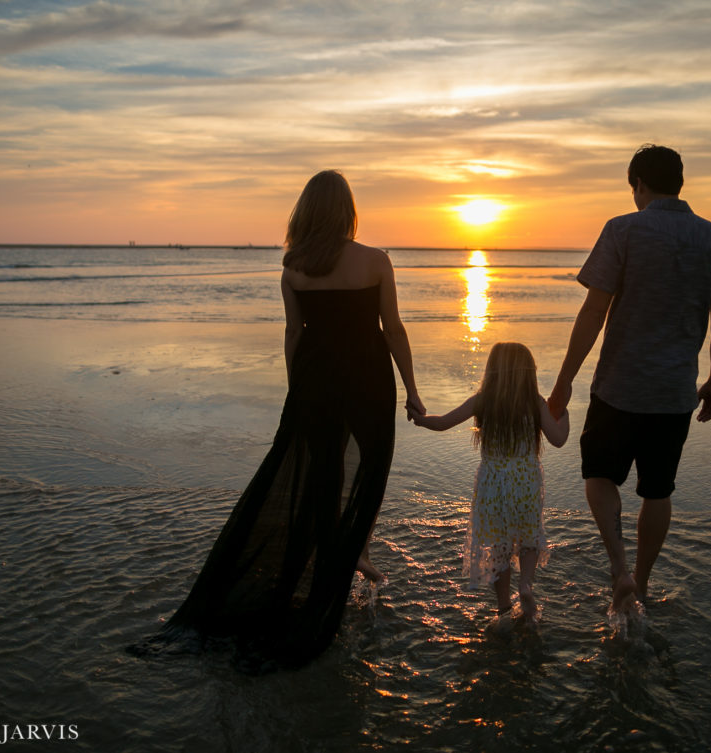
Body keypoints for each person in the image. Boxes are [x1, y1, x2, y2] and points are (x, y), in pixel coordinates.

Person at [139, 170, 424, 671]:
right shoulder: (376, 261)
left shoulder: (294, 268)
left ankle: (336, 561)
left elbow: (294, 334)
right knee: (373, 466)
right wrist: (413, 391)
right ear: (348, 210)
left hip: (315, 380)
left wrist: (298, 390)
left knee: (323, 476)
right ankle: (350, 555)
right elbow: (393, 329)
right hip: (368, 380)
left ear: (307, 211)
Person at [547, 144, 711, 615]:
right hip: (675, 393)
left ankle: (619, 570)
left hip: (618, 386)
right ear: (679, 183)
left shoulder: (623, 229)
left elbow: (594, 311)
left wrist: (565, 378)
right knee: (658, 490)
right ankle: (643, 584)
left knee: (598, 475)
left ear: (638, 184)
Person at [410, 342, 569, 629]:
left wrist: (421, 420)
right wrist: (564, 414)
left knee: (499, 545)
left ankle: (504, 607)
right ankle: (526, 586)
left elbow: (443, 422)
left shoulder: (483, 401)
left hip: (493, 485)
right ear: (528, 373)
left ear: (492, 370)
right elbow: (558, 439)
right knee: (529, 537)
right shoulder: (534, 401)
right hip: (526, 483)